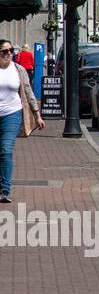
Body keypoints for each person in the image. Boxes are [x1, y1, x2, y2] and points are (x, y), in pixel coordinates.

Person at [0, 39, 45, 204]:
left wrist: (37, 114)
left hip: (12, 114)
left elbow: (28, 91)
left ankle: (5, 189)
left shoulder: (18, 70)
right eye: (5, 51)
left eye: (11, 50)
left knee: (5, 149)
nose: (9, 54)